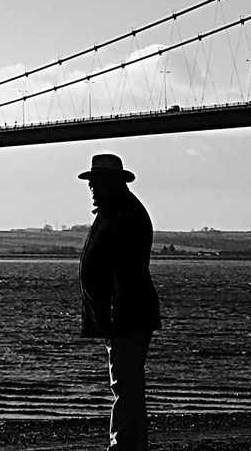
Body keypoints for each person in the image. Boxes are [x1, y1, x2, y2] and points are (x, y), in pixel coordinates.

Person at [78, 153, 161, 451]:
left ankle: (126, 446)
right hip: (123, 315)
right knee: (124, 385)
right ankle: (125, 443)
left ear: (112, 182)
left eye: (96, 181)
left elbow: (123, 268)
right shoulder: (117, 211)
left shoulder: (123, 214)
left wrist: (111, 310)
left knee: (125, 386)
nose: (91, 188)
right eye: (91, 182)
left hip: (126, 315)